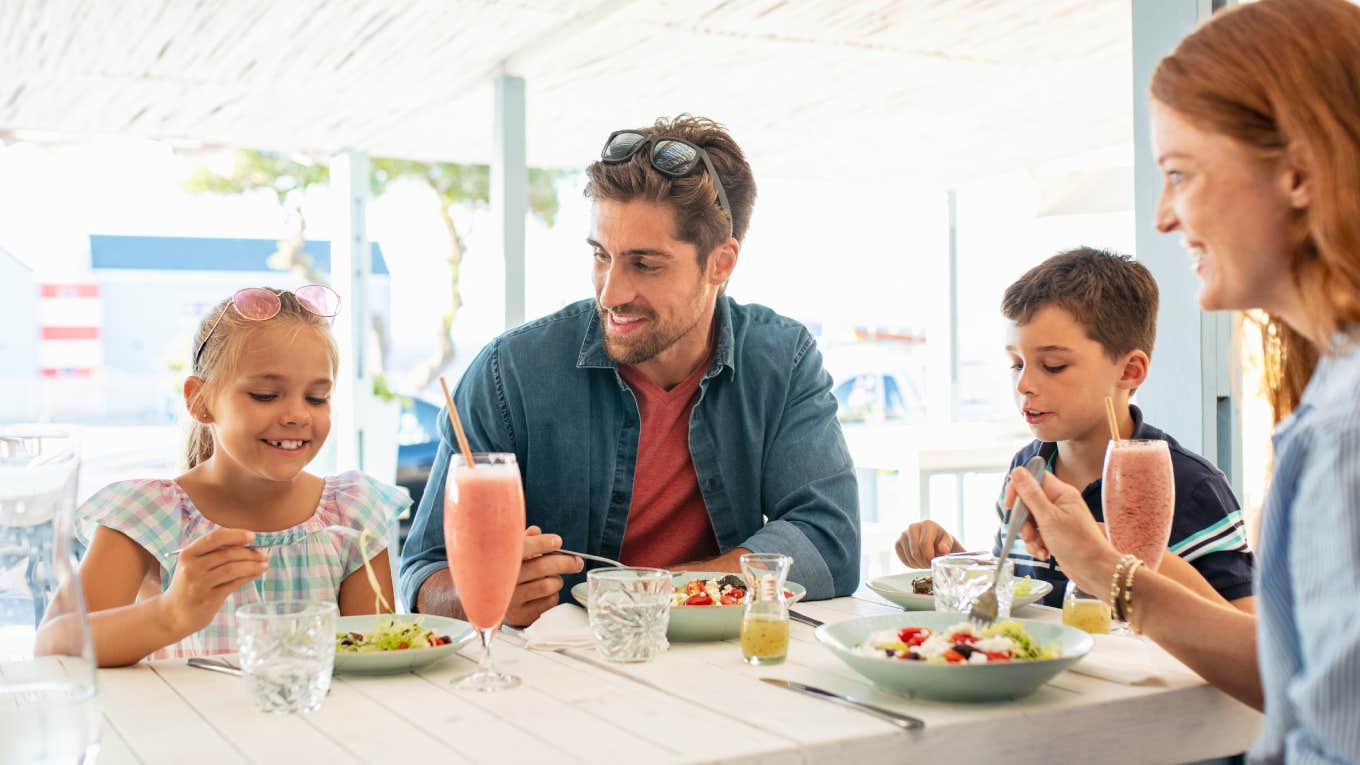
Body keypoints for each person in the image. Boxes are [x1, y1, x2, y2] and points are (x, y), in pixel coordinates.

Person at [1007, 1, 1360, 761]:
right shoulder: (1332, 398)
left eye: (1179, 174)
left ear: (1297, 171)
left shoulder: (1343, 431)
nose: (1164, 216)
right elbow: (1300, 678)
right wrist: (1102, 565)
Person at [400, 115, 860, 626]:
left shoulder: (782, 358)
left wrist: (657, 595)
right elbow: (424, 573)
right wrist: (482, 594)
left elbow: (829, 540)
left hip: (727, 669)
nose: (610, 293)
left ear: (721, 263)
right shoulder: (508, 373)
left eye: (645, 264)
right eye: (601, 255)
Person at [42, 286, 406, 666]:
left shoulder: (350, 511)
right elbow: (53, 645)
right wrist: (173, 613)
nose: (298, 414)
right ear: (200, 401)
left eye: (317, 398)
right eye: (266, 395)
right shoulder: (149, 514)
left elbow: (374, 659)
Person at [896, 248, 1255, 611]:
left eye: (1053, 365)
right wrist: (953, 559)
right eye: (1016, 364)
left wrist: (1112, 553)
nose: (1024, 384)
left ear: (1129, 371)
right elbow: (1018, 593)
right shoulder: (1028, 469)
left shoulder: (1191, 485)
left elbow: (1248, 636)